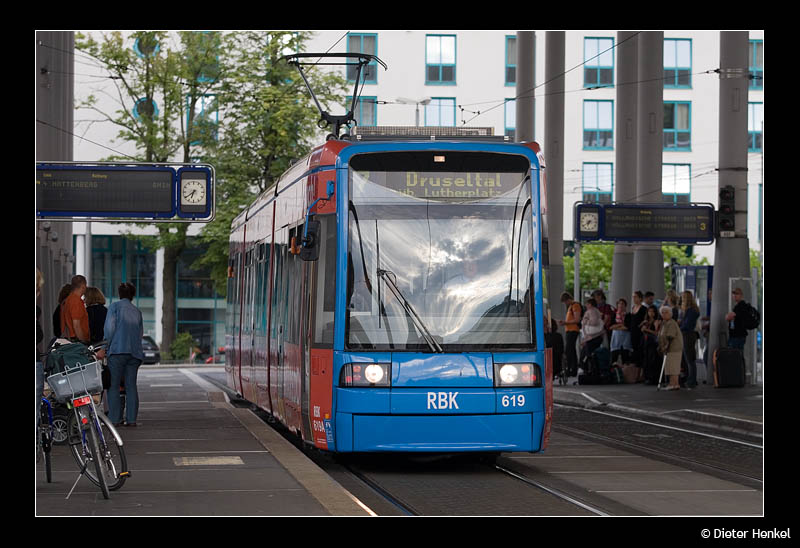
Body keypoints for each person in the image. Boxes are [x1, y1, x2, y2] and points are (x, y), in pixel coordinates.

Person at [104, 282, 144, 427]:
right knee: (131, 386)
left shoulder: (114, 307)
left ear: (119, 294)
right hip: (134, 353)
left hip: (117, 351)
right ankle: (131, 419)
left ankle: (114, 419)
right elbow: (140, 334)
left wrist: (105, 347)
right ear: (132, 295)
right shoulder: (137, 311)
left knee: (113, 386)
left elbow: (109, 329)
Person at [658, 306, 684, 390]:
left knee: (673, 367)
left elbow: (670, 336)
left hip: (673, 348)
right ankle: (672, 383)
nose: (664, 314)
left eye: (666, 312)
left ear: (670, 314)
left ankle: (674, 384)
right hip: (669, 348)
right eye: (662, 313)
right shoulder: (664, 323)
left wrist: (666, 346)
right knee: (670, 366)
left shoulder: (671, 323)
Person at [558, 292, 582, 377]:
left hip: (573, 330)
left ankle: (570, 369)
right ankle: (573, 369)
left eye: (565, 301)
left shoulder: (575, 306)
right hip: (569, 330)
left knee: (569, 350)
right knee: (572, 350)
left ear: (567, 299)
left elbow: (577, 319)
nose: (565, 303)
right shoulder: (571, 307)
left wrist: (565, 323)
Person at [679, 291, 700, 389]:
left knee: (690, 359)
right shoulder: (691, 310)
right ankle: (690, 379)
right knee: (688, 358)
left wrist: (679, 328)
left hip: (688, 335)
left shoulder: (691, 311)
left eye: (683, 297)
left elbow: (687, 325)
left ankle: (692, 381)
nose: (681, 299)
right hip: (688, 334)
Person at [60, 275, 89, 343]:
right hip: (76, 339)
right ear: (83, 286)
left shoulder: (69, 299)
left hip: (71, 338)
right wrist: (83, 342)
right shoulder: (76, 301)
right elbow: (76, 325)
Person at [640, 305, 661, 384]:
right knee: (646, 360)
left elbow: (657, 333)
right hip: (646, 342)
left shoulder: (656, 321)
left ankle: (653, 378)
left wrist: (647, 330)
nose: (651, 313)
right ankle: (647, 377)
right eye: (649, 311)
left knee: (653, 360)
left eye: (652, 312)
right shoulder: (646, 321)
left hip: (652, 342)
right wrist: (643, 327)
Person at [609, 298, 633, 365]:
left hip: (625, 339)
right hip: (615, 338)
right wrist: (620, 325)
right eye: (619, 304)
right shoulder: (614, 315)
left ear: (625, 306)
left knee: (625, 357)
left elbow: (627, 327)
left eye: (622, 304)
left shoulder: (628, 315)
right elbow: (611, 327)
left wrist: (616, 327)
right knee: (614, 357)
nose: (620, 305)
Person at [630, 291, 648, 372]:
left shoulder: (644, 308)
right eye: (633, 297)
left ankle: (640, 369)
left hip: (639, 332)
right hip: (633, 331)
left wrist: (640, 325)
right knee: (634, 349)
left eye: (635, 297)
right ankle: (635, 369)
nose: (634, 298)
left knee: (639, 349)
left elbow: (645, 320)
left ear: (640, 298)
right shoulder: (633, 307)